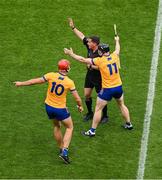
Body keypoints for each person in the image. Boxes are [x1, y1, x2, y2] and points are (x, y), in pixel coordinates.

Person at [13, 59, 83, 163]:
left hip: (49, 107)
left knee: (56, 126)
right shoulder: (69, 82)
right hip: (60, 109)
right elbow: (77, 98)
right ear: (67, 68)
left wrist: (21, 83)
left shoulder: (51, 75)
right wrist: (80, 106)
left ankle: (60, 148)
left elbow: (34, 81)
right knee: (69, 127)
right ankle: (65, 152)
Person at [64, 36, 133, 137]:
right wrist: (117, 40)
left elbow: (83, 60)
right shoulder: (115, 56)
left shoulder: (100, 61)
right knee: (122, 105)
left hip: (107, 89)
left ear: (101, 52)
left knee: (97, 109)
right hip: (118, 87)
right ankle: (129, 124)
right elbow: (118, 49)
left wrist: (71, 54)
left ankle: (92, 131)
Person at [68, 18, 109, 123]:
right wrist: (73, 27)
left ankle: (105, 116)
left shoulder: (101, 52)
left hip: (99, 77)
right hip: (90, 76)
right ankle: (90, 112)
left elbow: (103, 67)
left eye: (90, 42)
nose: (88, 42)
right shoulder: (90, 46)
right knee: (86, 95)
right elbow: (82, 36)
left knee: (102, 97)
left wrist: (91, 66)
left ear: (95, 44)